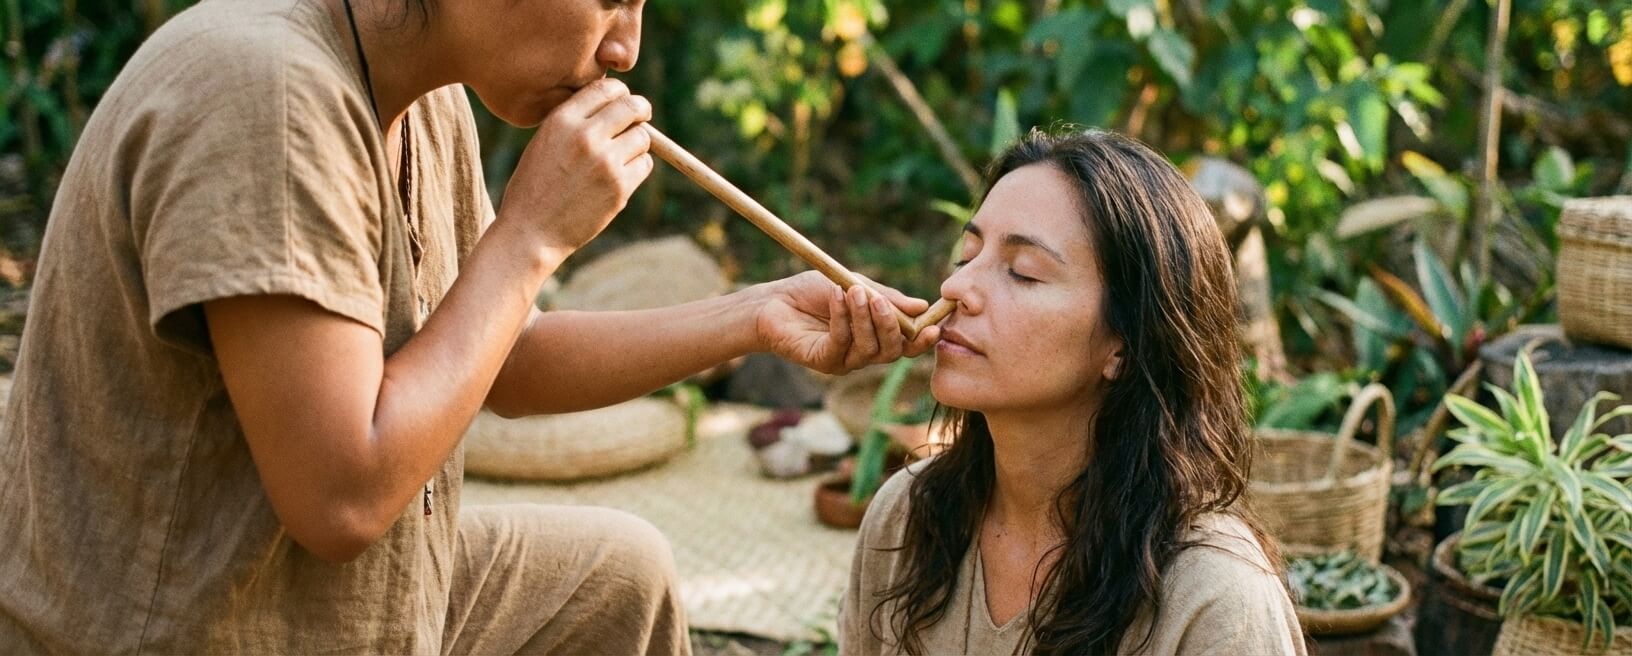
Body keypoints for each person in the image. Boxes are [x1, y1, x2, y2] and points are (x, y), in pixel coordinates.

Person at [0, 0, 939, 653]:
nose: (624, 51)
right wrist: (530, 235)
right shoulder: (265, 94)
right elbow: (341, 501)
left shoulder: (426, 95)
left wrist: (752, 315)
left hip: (335, 606)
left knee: (617, 579)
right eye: (610, 1)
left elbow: (498, 356)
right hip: (189, 630)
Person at [838, 129, 1305, 655]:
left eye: (1023, 273)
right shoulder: (907, 516)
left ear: (1124, 345)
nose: (956, 288)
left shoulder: (1214, 598)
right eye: (967, 256)